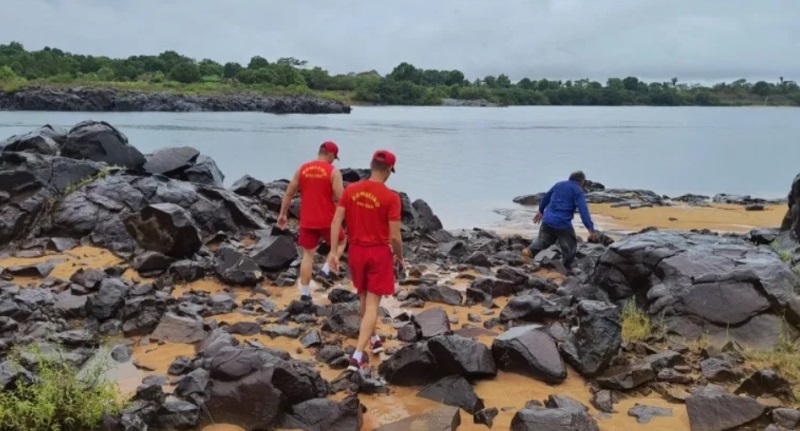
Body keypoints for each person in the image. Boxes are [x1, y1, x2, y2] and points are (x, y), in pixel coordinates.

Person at [327, 150, 404, 371]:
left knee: (363, 297)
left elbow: (336, 221)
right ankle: (358, 355)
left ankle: (373, 338)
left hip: (356, 252)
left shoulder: (351, 190)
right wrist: (400, 257)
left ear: (371, 166)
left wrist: (333, 252)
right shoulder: (391, 198)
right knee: (372, 305)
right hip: (378, 253)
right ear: (389, 170)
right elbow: (395, 236)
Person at [277, 141, 347, 302]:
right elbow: (342, 199)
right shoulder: (333, 172)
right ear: (330, 155)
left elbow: (288, 193)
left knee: (308, 255)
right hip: (328, 220)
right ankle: (325, 269)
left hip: (307, 220)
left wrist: (283, 214)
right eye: (334, 158)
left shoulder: (302, 169)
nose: (333, 161)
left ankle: (305, 294)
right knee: (341, 242)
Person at [523, 170, 598, 270]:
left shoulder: (559, 185)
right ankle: (565, 268)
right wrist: (590, 228)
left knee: (543, 241)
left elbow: (545, 198)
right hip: (562, 224)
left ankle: (528, 252)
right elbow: (583, 211)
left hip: (547, 220)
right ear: (582, 181)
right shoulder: (578, 190)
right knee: (570, 247)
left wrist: (541, 211)